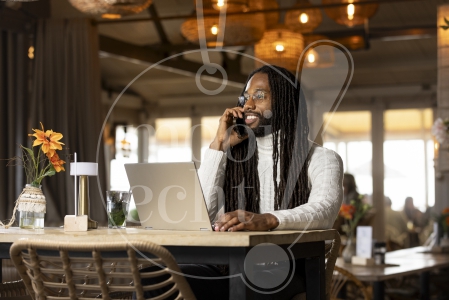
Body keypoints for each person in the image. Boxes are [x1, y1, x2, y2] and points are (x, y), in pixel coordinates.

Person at [192, 65, 343, 299]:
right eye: (246, 97)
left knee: (244, 285)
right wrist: (219, 145)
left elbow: (325, 209)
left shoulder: (321, 158)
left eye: (260, 96)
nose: (248, 104)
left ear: (284, 101)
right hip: (229, 265)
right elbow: (201, 214)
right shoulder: (232, 155)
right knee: (159, 275)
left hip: (287, 268)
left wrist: (267, 220)